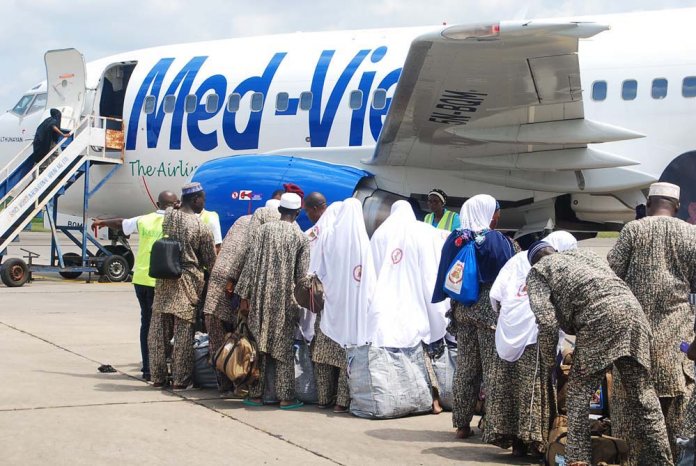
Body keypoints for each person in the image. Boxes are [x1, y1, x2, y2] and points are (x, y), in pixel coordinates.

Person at [527, 243, 673, 466]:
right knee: (644, 397)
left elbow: (546, 322)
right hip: (633, 315)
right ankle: (664, 460)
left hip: (599, 321)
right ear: (553, 251)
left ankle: (578, 461)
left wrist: (549, 362)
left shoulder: (538, 271)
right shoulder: (583, 254)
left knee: (577, 395)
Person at [608, 182, 696, 461]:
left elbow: (611, 277)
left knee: (630, 410)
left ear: (648, 203)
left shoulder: (633, 230)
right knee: (676, 414)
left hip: (636, 340)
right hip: (678, 341)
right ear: (677, 207)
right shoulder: (692, 234)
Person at [432, 195, 516, 441]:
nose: (497, 216)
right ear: (487, 212)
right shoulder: (496, 241)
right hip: (488, 312)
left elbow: (444, 274)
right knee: (493, 370)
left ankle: (461, 424)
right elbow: (509, 274)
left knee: (466, 368)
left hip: (462, 311)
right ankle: (493, 426)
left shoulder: (455, 238)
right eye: (495, 211)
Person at [488, 231, 577, 457]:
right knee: (533, 388)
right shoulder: (556, 265)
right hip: (533, 334)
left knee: (508, 388)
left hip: (507, 332)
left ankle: (515, 443)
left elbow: (495, 295)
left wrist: (507, 319)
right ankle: (533, 441)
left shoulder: (517, 259)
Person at [369, 200, 450, 413]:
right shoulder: (424, 231)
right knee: (425, 353)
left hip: (387, 303)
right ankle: (434, 399)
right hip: (419, 300)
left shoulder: (380, 234)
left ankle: (403, 401)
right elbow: (433, 267)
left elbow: (373, 271)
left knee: (396, 358)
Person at [92, 190, 179, 382]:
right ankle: (164, 365)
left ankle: (148, 367)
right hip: (162, 280)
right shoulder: (178, 222)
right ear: (176, 204)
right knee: (167, 325)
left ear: (157, 203)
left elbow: (120, 223)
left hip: (141, 279)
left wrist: (102, 222)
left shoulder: (144, 220)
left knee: (146, 323)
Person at [236, 193, 310, 410]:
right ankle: (286, 397)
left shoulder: (262, 231)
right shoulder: (301, 238)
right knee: (283, 349)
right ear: (297, 213)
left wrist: (244, 296)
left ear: (279, 211)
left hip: (259, 297)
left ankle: (257, 395)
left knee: (258, 345)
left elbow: (250, 265)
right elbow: (301, 277)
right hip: (284, 302)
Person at [148, 182, 216, 389]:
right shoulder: (200, 227)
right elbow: (209, 261)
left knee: (159, 331)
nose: (203, 204)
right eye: (202, 200)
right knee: (183, 334)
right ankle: (180, 380)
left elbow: (171, 209)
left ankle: (158, 377)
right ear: (195, 199)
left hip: (165, 280)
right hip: (187, 282)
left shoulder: (169, 218)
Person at [313, 198, 375, 412]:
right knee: (345, 358)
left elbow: (315, 269)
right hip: (352, 311)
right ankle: (341, 402)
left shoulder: (328, 236)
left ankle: (322, 398)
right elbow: (368, 281)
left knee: (322, 355)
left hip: (329, 307)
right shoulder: (362, 243)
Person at [202, 212, 253, 394]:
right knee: (241, 344)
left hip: (215, 292)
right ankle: (240, 385)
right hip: (233, 290)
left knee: (218, 343)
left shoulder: (241, 221)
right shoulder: (258, 230)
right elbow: (243, 264)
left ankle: (223, 385)